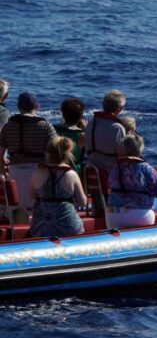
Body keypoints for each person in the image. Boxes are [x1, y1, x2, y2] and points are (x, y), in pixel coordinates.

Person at [0, 92, 57, 221]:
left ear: (19, 107)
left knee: (16, 210)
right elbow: (55, 152)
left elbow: (0, 154)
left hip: (14, 173)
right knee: (37, 211)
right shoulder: (45, 126)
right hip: (38, 173)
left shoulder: (8, 127)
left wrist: (4, 170)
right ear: (37, 106)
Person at [105, 134, 157, 229]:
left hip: (113, 217)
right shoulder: (145, 168)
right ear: (139, 150)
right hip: (140, 215)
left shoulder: (114, 167)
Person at [29, 136, 87, 238]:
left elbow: (30, 200)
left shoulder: (37, 173)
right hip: (68, 225)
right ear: (67, 153)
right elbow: (82, 202)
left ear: (47, 153)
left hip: (41, 227)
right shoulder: (71, 174)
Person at [84, 90, 126, 206]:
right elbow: (122, 156)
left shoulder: (91, 123)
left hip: (92, 174)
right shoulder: (117, 128)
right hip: (111, 177)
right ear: (119, 109)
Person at [54, 98, 87, 173]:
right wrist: (85, 130)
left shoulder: (54, 130)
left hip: (55, 167)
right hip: (73, 170)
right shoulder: (81, 135)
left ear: (63, 114)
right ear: (80, 117)